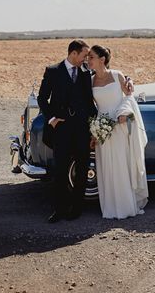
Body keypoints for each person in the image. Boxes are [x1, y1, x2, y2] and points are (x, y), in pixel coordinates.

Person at [37, 39, 97, 223]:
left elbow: (89, 102)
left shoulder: (86, 73)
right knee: (60, 171)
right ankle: (59, 210)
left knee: (81, 168)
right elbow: (42, 99)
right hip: (61, 129)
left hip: (81, 129)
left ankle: (76, 208)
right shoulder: (53, 71)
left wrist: (95, 128)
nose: (86, 59)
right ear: (73, 53)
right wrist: (52, 119)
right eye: (84, 55)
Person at [87, 45, 148, 219]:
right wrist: (95, 130)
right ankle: (111, 207)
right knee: (106, 166)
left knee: (121, 165)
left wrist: (123, 112)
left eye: (91, 57)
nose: (88, 60)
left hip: (119, 126)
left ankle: (125, 207)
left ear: (102, 59)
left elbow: (129, 96)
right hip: (102, 128)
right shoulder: (90, 81)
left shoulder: (117, 75)